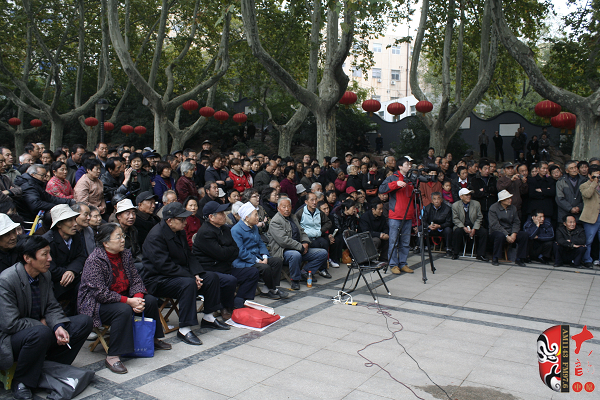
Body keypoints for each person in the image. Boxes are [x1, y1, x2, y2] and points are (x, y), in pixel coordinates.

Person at [0, 236, 93, 399]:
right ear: (28, 258)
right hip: (11, 338)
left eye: (49, 253)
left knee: (84, 322)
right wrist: (42, 326)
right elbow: (10, 323)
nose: (50, 259)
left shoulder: (45, 275)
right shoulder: (7, 280)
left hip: (40, 331)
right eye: (44, 254)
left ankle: (49, 367)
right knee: (40, 333)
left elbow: (51, 306)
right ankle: (22, 382)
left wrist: (58, 326)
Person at [77, 223, 170, 374]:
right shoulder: (95, 260)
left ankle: (152, 339)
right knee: (123, 310)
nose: (122, 240)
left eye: (123, 236)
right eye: (118, 237)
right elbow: (100, 293)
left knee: (150, 301)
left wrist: (138, 299)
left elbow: (136, 280)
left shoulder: (125, 254)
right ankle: (113, 356)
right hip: (96, 304)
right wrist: (129, 301)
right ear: (106, 243)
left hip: (123, 296)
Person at [140, 202, 233, 346]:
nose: (185, 222)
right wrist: (190, 276)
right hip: (158, 279)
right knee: (188, 284)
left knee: (211, 277)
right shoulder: (156, 236)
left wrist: (196, 273)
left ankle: (208, 317)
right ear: (169, 221)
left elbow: (189, 256)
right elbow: (164, 266)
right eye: (182, 219)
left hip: (179, 273)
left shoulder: (179, 231)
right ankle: (184, 329)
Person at [229, 202, 289, 301]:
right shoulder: (236, 230)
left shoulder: (254, 227)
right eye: (255, 215)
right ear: (247, 217)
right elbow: (240, 251)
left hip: (258, 256)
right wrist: (257, 260)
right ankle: (273, 289)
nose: (258, 217)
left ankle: (267, 289)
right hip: (244, 261)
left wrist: (265, 256)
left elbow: (261, 243)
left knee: (277, 261)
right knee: (264, 267)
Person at [267, 197, 329, 290]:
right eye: (284, 207)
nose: (287, 209)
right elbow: (284, 241)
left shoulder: (293, 217)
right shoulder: (275, 221)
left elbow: (302, 231)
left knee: (322, 253)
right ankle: (295, 279)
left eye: (288, 206)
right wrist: (301, 247)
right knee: (295, 255)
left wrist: (305, 242)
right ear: (278, 208)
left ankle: (305, 272)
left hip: (299, 248)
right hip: (283, 251)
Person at [42, 204, 86, 315]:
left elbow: (81, 256)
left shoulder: (76, 236)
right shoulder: (47, 241)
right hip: (56, 283)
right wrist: (67, 273)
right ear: (59, 224)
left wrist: (71, 271)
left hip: (73, 276)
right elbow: (50, 269)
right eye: (70, 221)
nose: (75, 224)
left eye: (74, 220)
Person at [379, 156, 415, 274]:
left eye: (410, 164)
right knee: (393, 242)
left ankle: (403, 263)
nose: (409, 166)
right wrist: (396, 184)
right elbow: (382, 189)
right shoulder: (392, 178)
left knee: (405, 242)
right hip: (395, 215)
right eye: (407, 164)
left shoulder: (411, 178)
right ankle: (393, 264)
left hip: (408, 215)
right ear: (400, 166)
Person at [489, 190, 528, 266]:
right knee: (500, 236)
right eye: (507, 199)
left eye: (510, 198)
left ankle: (520, 258)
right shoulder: (493, 208)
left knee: (524, 235)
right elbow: (495, 225)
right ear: (502, 200)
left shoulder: (513, 208)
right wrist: (506, 235)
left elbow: (516, 222)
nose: (510, 200)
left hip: (510, 230)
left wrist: (514, 233)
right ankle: (495, 257)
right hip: (497, 231)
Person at [295, 192, 336, 264]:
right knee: (315, 244)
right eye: (312, 200)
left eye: (316, 200)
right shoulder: (301, 212)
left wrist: (321, 230)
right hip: (306, 237)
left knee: (325, 243)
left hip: (317, 235)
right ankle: (313, 266)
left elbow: (328, 222)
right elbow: (295, 225)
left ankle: (323, 267)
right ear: (306, 202)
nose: (314, 202)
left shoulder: (319, 212)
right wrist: (302, 233)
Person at [451, 188, 488, 261]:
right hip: (462, 225)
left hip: (474, 224)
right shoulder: (455, 205)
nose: (469, 196)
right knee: (457, 232)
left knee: (484, 232)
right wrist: (463, 227)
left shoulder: (476, 204)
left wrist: (474, 228)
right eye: (466, 195)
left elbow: (479, 217)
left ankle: (481, 254)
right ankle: (455, 253)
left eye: (469, 195)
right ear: (461, 197)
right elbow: (455, 219)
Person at [579, 165, 600, 268]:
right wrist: (594, 183)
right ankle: (587, 260)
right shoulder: (584, 185)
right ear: (589, 175)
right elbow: (587, 194)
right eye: (595, 176)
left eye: (599, 176)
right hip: (591, 216)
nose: (597, 178)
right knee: (588, 240)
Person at [422, 192, 453, 257]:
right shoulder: (428, 208)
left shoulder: (447, 208)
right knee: (420, 228)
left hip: (441, 228)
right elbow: (423, 220)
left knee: (448, 230)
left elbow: (449, 222)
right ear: (432, 201)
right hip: (430, 228)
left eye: (438, 199)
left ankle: (448, 249)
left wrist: (439, 226)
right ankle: (419, 246)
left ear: (441, 200)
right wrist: (428, 226)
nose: (436, 201)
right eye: (434, 199)